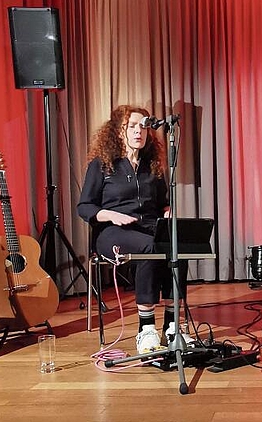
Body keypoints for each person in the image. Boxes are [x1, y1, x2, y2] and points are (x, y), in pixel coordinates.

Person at [78, 105, 190, 354]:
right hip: (111, 231)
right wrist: (110, 215)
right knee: (148, 248)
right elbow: (84, 206)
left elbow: (162, 203)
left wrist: (167, 211)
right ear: (119, 131)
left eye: (144, 126)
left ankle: (172, 326)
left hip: (148, 227)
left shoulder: (152, 165)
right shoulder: (103, 164)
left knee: (177, 245)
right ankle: (146, 329)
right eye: (133, 126)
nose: (140, 131)